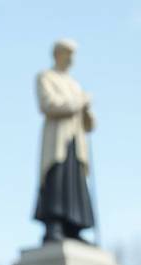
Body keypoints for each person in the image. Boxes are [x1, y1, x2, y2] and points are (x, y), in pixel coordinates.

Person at [34, 38, 97, 243]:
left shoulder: (75, 85)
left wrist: (87, 109)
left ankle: (73, 227)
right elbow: (49, 105)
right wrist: (80, 101)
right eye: (67, 53)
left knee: (75, 183)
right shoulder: (46, 77)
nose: (71, 59)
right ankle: (54, 224)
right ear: (57, 54)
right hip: (57, 141)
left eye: (73, 54)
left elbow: (90, 126)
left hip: (76, 143)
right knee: (57, 180)